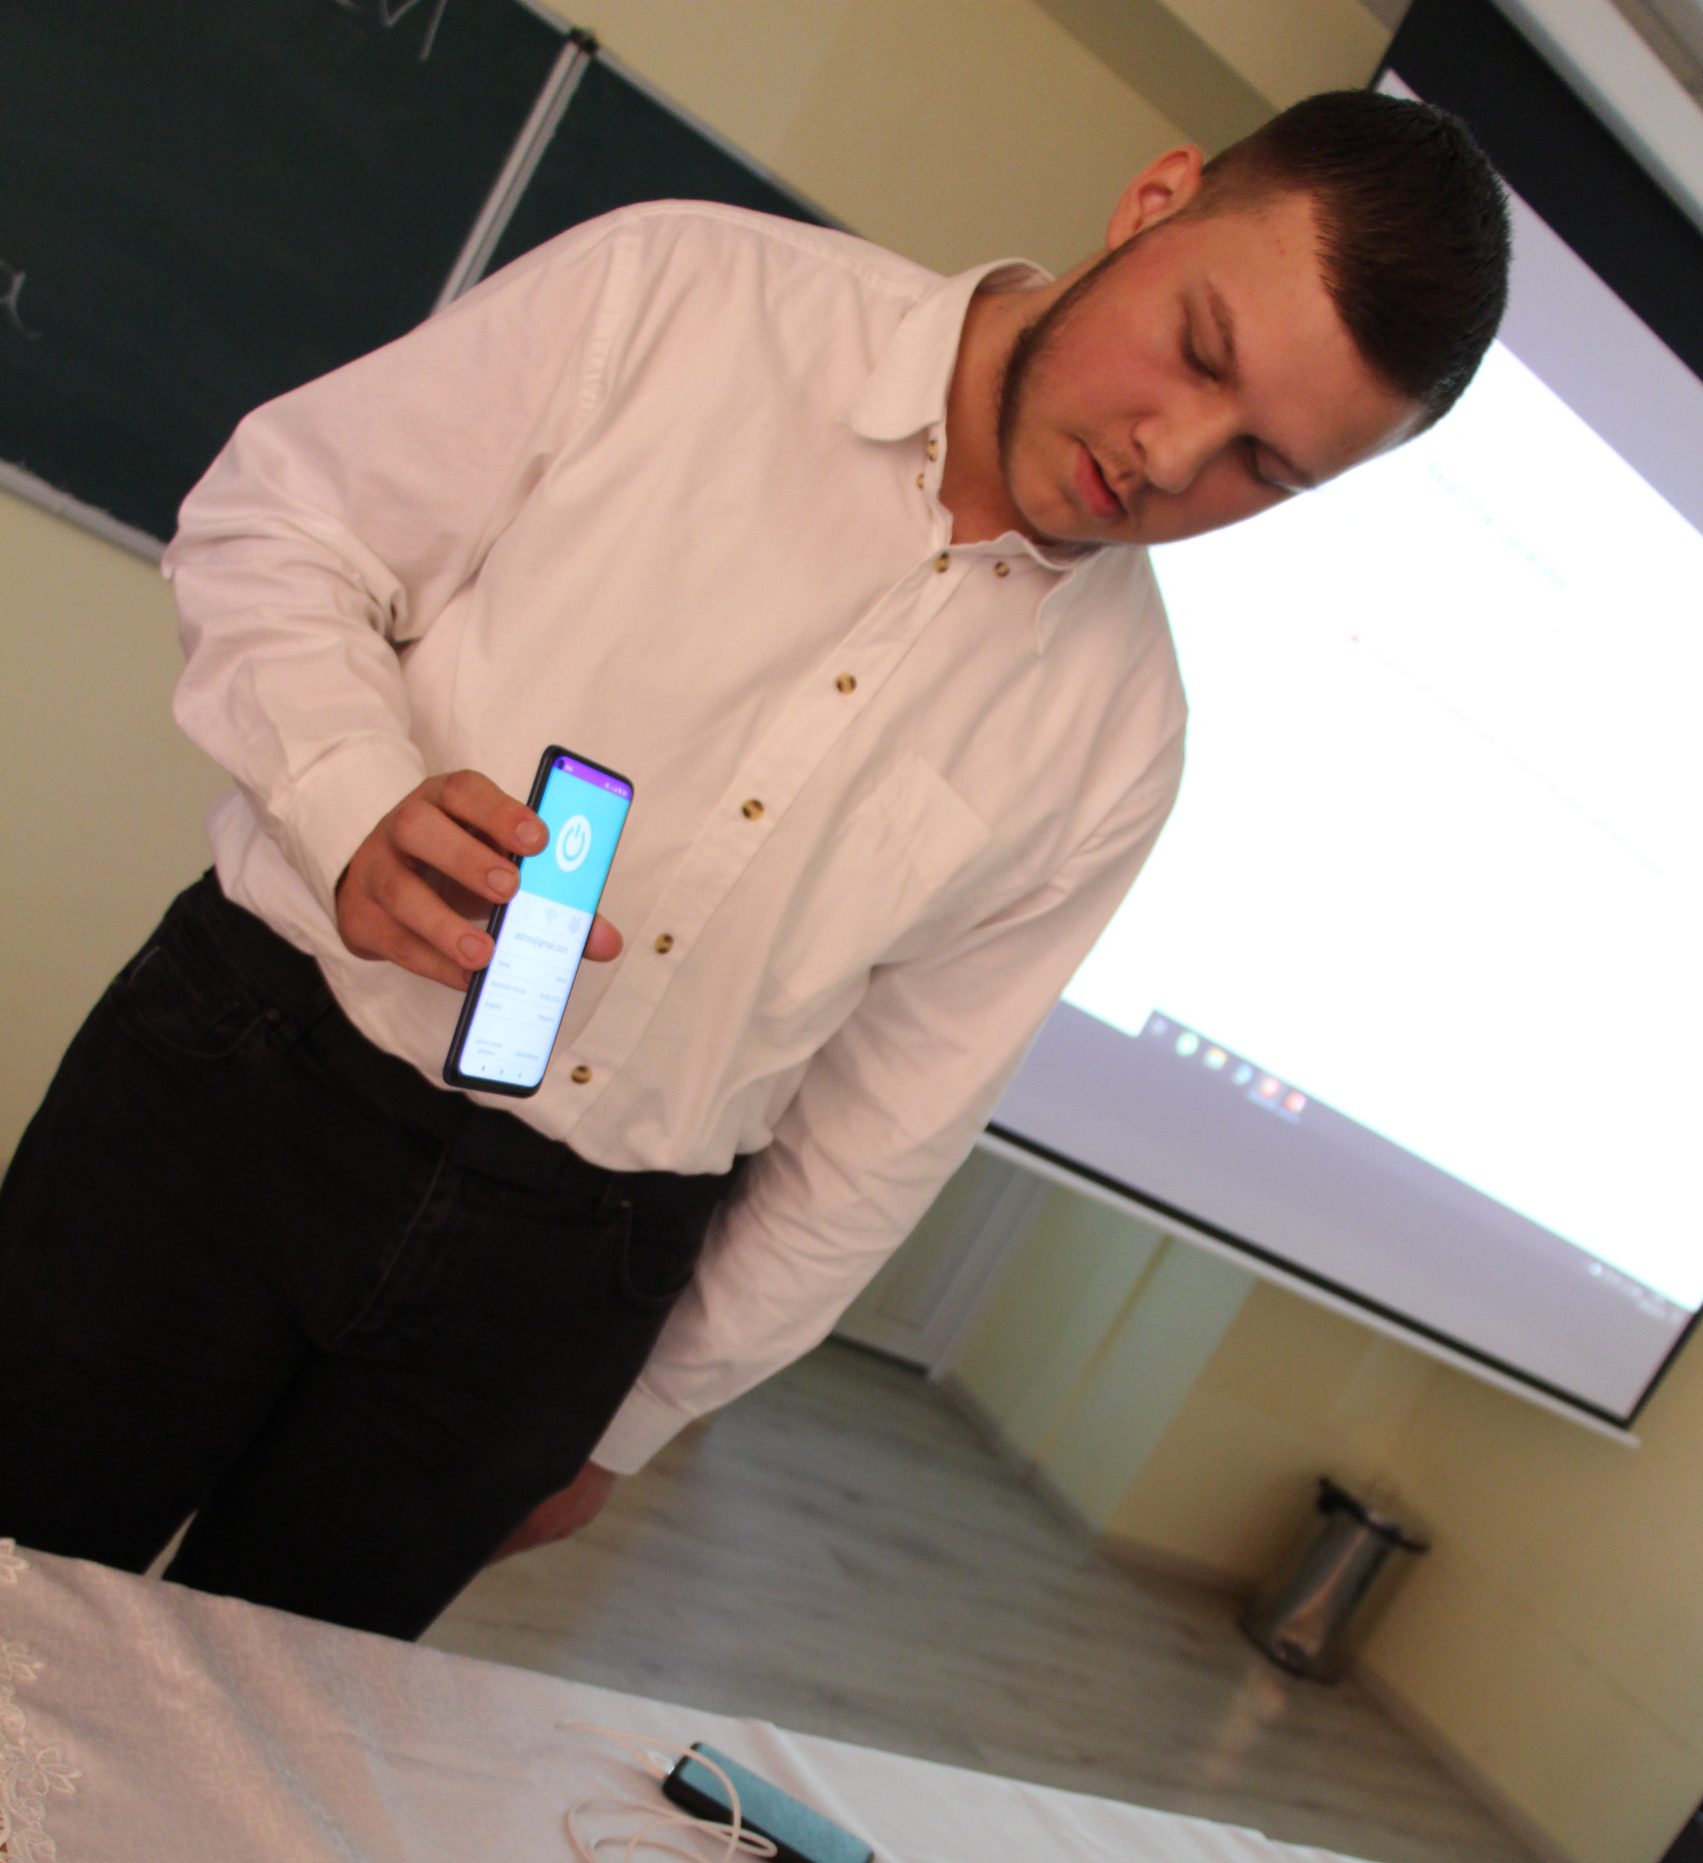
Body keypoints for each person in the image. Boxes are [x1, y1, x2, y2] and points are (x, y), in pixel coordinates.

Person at [0, 91, 1509, 1640]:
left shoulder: (1120, 740)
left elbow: (882, 1130)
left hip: (565, 1284)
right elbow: (279, 528)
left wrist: (633, 1419)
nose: (1174, 455)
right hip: (242, 1086)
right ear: (1156, 200)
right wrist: (349, 797)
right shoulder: (687, 293)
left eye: (1265, 466)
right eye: (1198, 350)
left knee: (252, 1727)